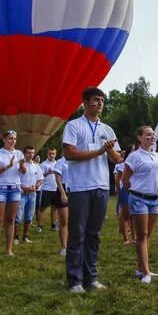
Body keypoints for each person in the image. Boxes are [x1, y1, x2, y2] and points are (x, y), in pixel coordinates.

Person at [62, 87, 123, 293]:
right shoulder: (74, 126)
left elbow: (118, 159)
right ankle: (75, 280)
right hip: (80, 186)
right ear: (85, 102)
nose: (100, 104)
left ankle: (91, 278)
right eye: (96, 100)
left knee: (94, 234)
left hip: (101, 186)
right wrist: (98, 151)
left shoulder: (107, 129)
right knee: (77, 234)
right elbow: (69, 153)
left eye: (102, 100)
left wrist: (110, 150)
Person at [123, 126, 158, 283]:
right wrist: (136, 190)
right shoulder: (134, 156)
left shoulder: (157, 155)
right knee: (142, 235)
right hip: (139, 199)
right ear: (139, 137)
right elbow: (125, 179)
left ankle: (141, 268)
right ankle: (146, 272)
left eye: (153, 134)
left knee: (147, 235)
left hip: (155, 199)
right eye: (148, 135)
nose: (151, 137)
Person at [0, 130, 23, 258]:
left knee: (10, 219)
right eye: (10, 138)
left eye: (14, 139)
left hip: (15, 188)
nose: (13, 141)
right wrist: (7, 166)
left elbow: (22, 172)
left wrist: (22, 165)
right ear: (4, 140)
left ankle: (8, 250)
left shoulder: (19, 153)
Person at [16, 145, 43, 243]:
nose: (31, 155)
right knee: (18, 217)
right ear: (24, 154)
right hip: (21, 194)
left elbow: (41, 179)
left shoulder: (36, 166)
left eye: (32, 153)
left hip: (32, 194)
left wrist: (36, 186)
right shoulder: (19, 165)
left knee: (29, 217)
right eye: (28, 153)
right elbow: (15, 179)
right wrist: (24, 188)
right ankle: (15, 237)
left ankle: (25, 236)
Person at [51, 155, 70, 256]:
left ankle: (73, 245)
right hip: (63, 189)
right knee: (64, 221)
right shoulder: (60, 162)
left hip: (76, 188)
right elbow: (57, 178)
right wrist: (63, 193)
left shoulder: (77, 159)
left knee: (75, 221)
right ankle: (64, 247)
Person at [114, 154, 134, 246]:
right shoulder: (123, 165)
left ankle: (134, 238)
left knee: (133, 215)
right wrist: (119, 190)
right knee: (124, 215)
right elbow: (117, 180)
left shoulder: (137, 163)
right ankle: (125, 239)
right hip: (125, 190)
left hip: (135, 190)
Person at [38, 148, 59, 232]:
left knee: (55, 208)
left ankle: (54, 225)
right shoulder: (43, 164)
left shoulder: (58, 164)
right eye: (50, 153)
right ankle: (40, 226)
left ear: (55, 154)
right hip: (46, 189)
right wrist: (47, 173)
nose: (51, 155)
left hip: (56, 188)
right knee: (42, 208)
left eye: (53, 153)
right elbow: (39, 177)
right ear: (47, 154)